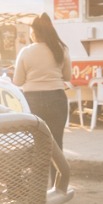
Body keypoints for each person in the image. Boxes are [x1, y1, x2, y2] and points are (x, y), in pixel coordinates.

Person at [13, 12, 73, 192]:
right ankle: (58, 186)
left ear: (34, 32)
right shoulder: (60, 49)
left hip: (33, 101)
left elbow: (17, 81)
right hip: (57, 99)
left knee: (35, 143)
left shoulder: (26, 51)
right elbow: (67, 76)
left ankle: (35, 187)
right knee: (56, 143)